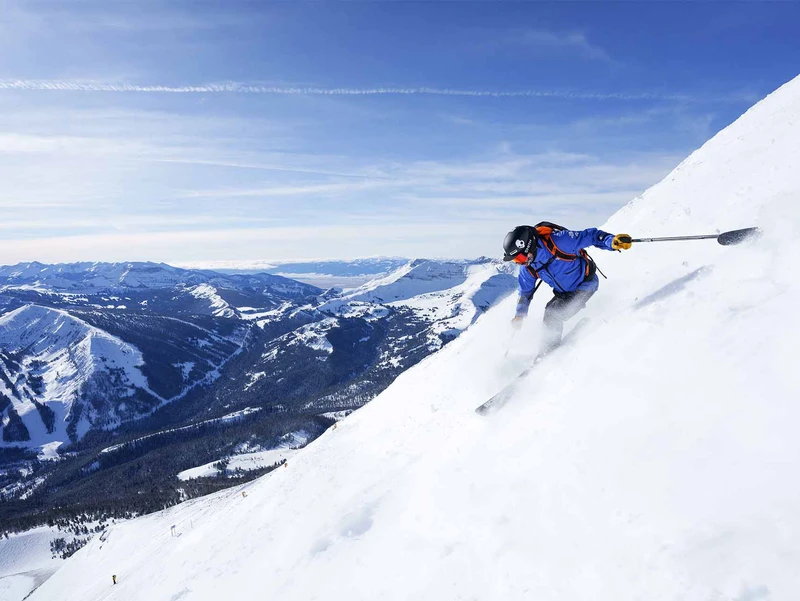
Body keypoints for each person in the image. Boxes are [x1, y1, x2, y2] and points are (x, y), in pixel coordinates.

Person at [502, 222, 632, 353]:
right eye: (516, 261)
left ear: (529, 246)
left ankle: (549, 351)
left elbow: (591, 236)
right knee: (550, 310)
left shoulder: (560, 241)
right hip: (563, 292)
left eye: (520, 257)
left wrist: (611, 241)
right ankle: (548, 348)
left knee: (553, 314)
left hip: (585, 284)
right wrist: (519, 315)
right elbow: (525, 292)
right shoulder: (528, 267)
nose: (520, 263)